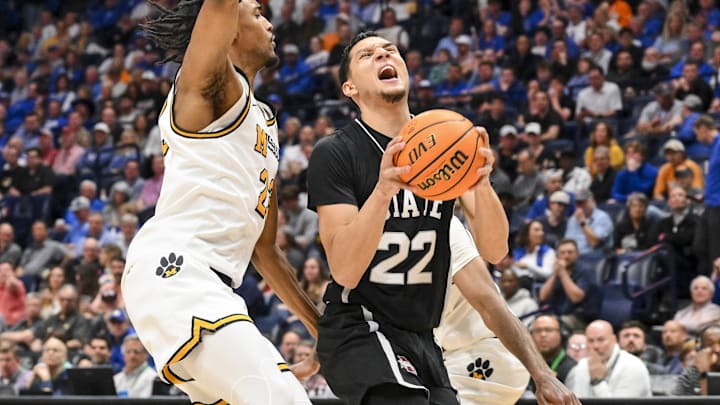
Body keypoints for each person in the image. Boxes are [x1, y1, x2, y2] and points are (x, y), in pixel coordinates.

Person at [307, 31, 577, 405]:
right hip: (360, 327)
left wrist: (481, 184)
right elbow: (345, 272)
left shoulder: (445, 137)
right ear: (349, 87)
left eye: (390, 50)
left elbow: (496, 250)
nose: (383, 55)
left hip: (422, 337)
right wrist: (383, 192)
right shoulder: (335, 153)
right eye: (367, 55)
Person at [124, 2, 321, 404]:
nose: (269, 22)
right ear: (229, 24)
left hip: (213, 283)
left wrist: (323, 331)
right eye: (256, 11)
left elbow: (264, 250)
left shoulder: (263, 119)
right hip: (179, 270)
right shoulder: (206, 85)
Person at [565, 320, 652, 397]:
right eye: (590, 341)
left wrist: (597, 382)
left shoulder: (633, 366)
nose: (595, 346)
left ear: (614, 340)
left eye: (601, 340)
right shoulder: (582, 366)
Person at [539, 239, 597, 331]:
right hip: (556, 314)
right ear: (557, 256)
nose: (566, 256)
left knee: (554, 326)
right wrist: (555, 274)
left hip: (578, 317)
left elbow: (576, 297)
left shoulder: (586, 271)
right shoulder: (557, 271)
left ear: (577, 254)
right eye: (562, 253)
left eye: (570, 252)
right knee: (537, 325)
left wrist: (563, 274)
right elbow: (543, 296)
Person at [692, 116, 720, 274]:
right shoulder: (714, 148)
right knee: (699, 246)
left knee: (716, 252)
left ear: (703, 128)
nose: (697, 138)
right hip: (709, 203)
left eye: (697, 133)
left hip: (718, 206)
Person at [528, 315, 578, 391]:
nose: (543, 335)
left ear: (562, 334)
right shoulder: (524, 366)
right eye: (537, 330)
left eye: (549, 330)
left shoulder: (573, 368)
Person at [672, 324, 720, 396]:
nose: (717, 349)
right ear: (700, 350)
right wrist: (704, 372)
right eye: (710, 344)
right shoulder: (691, 373)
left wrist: (704, 375)